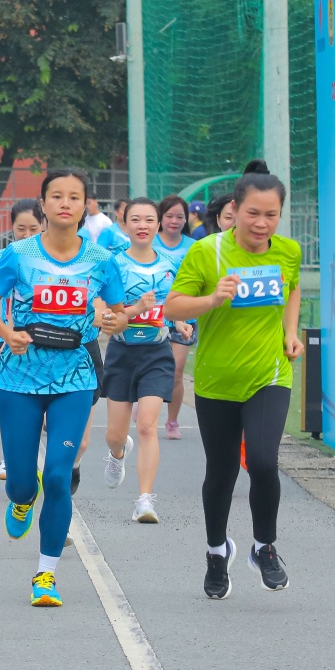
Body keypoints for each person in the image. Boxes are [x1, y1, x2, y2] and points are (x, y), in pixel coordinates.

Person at [0, 169, 126, 607]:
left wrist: (115, 320)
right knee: (24, 482)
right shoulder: (17, 255)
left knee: (59, 477)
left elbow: (117, 314)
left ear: (85, 206)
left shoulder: (102, 260)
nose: (65, 203)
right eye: (56, 196)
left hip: (74, 378)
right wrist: (8, 333)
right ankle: (22, 500)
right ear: (42, 205)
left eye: (74, 197)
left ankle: (45, 575)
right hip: (19, 377)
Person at [166, 161, 301, 598]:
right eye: (253, 214)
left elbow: (293, 287)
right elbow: (172, 308)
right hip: (217, 380)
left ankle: (264, 546)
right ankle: (215, 552)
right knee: (221, 472)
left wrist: (290, 332)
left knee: (262, 461)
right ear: (235, 210)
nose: (262, 223)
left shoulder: (288, 251)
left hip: (269, 374)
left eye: (271, 215)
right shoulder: (209, 252)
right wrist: (212, 298)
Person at [101, 198, 188, 524]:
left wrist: (179, 322)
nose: (142, 225)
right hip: (122, 352)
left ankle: (145, 500)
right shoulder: (113, 264)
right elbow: (107, 311)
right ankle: (116, 452)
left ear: (158, 225)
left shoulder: (170, 264)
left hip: (156, 353)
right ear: (124, 225)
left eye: (149, 219)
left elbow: (175, 303)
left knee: (148, 425)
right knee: (114, 432)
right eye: (135, 219)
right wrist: (135, 309)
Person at [0, 199, 44, 480]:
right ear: (11, 228)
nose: (26, 234)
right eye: (20, 228)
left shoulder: (53, 261)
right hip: (11, 340)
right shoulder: (3, 257)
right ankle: (11, 458)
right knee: (19, 406)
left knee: (45, 412)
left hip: (52, 345)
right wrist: (1, 336)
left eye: (33, 228)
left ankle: (35, 458)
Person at [154, 195, 196, 439]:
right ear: (160, 217)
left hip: (183, 315)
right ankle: (145, 401)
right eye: (169, 215)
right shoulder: (150, 243)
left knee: (177, 370)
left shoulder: (193, 246)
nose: (174, 220)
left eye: (180, 216)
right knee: (152, 365)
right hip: (153, 316)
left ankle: (172, 421)